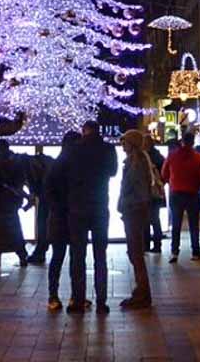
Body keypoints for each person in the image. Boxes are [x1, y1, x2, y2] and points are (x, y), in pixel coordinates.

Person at [61, 120, 117, 314]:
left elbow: (64, 174)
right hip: (100, 206)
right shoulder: (108, 149)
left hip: (77, 207)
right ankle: (101, 301)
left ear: (84, 132)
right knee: (100, 255)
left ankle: (78, 299)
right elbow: (113, 171)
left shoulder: (74, 150)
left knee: (78, 255)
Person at [45, 130, 81, 311]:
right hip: (70, 216)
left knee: (58, 257)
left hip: (59, 217)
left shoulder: (57, 164)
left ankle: (54, 295)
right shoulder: (75, 166)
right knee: (74, 257)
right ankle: (75, 296)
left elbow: (48, 192)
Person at [118, 130, 152, 310]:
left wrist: (128, 205)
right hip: (134, 210)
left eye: (125, 143)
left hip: (134, 211)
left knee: (135, 252)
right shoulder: (134, 161)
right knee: (134, 252)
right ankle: (142, 290)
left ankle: (143, 292)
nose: (122, 146)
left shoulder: (136, 163)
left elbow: (138, 190)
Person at [161, 131, 200, 263]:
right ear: (193, 142)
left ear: (182, 141)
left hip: (176, 193)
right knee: (193, 224)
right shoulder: (199, 157)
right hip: (192, 193)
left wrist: (170, 181)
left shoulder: (172, 156)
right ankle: (195, 251)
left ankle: (174, 252)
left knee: (176, 223)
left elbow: (164, 174)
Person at [0, 140, 29, 267]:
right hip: (10, 202)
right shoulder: (15, 162)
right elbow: (20, 181)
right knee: (14, 231)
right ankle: (21, 255)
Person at [26, 149, 54, 264]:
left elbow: (33, 184)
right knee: (43, 222)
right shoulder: (45, 163)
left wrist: (31, 196)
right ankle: (41, 249)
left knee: (43, 222)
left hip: (47, 194)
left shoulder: (29, 166)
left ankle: (41, 250)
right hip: (50, 194)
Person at [143, 135, 165, 253]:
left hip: (147, 192)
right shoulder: (159, 156)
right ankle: (157, 244)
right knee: (155, 219)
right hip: (156, 192)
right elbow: (164, 174)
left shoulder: (144, 157)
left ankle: (146, 244)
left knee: (147, 220)